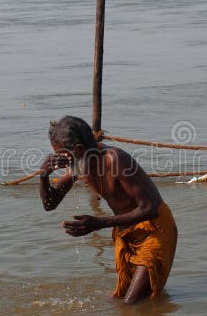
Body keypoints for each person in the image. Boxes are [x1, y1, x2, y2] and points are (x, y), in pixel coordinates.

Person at [39, 116, 178, 304]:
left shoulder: (114, 160)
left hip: (154, 231)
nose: (59, 159)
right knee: (126, 299)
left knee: (130, 304)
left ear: (78, 150)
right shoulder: (79, 165)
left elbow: (150, 208)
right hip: (126, 233)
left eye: (61, 154)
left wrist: (99, 223)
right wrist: (43, 176)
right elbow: (50, 204)